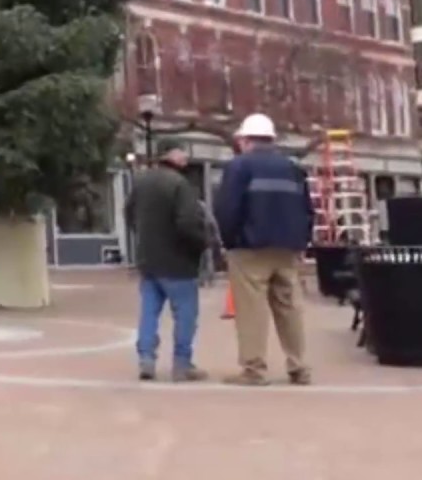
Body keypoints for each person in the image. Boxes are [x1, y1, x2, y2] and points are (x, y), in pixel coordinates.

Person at [214, 113, 314, 386]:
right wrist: (301, 242)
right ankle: (299, 366)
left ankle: (254, 369)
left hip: (250, 247)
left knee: (251, 309)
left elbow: (227, 209)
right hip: (288, 248)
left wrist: (229, 240)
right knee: (290, 307)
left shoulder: (239, 167)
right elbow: (308, 209)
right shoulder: (293, 168)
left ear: (245, 140)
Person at [126, 138, 211, 382]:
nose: (186, 156)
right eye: (183, 152)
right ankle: (182, 363)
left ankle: (146, 359)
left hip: (149, 259)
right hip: (178, 262)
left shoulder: (142, 181)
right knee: (185, 314)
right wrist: (202, 243)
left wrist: (145, 237)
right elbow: (187, 222)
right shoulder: (180, 185)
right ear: (171, 155)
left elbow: (129, 213)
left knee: (149, 312)